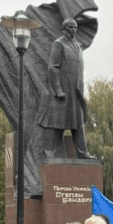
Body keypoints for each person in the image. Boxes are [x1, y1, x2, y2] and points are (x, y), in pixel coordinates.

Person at [41, 17, 95, 159]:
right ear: (64, 29)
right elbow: (53, 67)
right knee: (55, 122)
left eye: (75, 27)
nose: (74, 30)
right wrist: (57, 90)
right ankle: (49, 151)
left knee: (77, 124)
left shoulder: (78, 46)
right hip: (62, 91)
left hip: (75, 92)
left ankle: (82, 153)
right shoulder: (59, 44)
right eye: (71, 27)